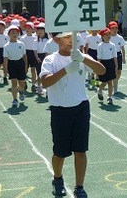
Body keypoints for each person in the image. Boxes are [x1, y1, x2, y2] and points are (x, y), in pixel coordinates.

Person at [39, 32, 105, 198]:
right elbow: (45, 82)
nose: (71, 41)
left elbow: (102, 70)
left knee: (80, 150)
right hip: (60, 110)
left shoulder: (80, 56)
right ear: (56, 40)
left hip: (81, 107)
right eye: (66, 37)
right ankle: (58, 178)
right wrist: (66, 70)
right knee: (60, 152)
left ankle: (79, 186)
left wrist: (84, 59)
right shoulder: (51, 60)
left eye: (73, 37)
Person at [3, 25, 27, 108]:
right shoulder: (6, 46)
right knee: (14, 83)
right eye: (13, 33)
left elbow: (24, 56)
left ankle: (21, 91)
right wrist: (5, 69)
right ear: (9, 34)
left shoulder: (21, 44)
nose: (15, 34)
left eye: (17, 33)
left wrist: (26, 66)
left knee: (22, 83)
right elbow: (5, 58)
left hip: (20, 64)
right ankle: (14, 99)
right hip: (12, 64)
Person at [97, 28, 117, 104]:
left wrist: (116, 66)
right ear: (102, 36)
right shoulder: (100, 46)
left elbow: (114, 56)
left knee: (110, 81)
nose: (108, 36)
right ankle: (100, 90)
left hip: (110, 63)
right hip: (103, 63)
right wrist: (98, 68)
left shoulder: (112, 45)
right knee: (104, 82)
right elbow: (99, 57)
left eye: (109, 34)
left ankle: (109, 97)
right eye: (106, 34)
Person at [108, 21, 126, 94]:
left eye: (116, 28)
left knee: (119, 72)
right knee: (114, 72)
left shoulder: (120, 37)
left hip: (118, 55)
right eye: (112, 28)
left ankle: (115, 83)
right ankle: (115, 87)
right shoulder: (108, 37)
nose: (115, 30)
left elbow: (122, 48)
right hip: (111, 55)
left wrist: (124, 57)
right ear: (109, 29)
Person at [21, 22, 38, 92]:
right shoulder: (23, 38)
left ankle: (33, 85)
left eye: (29, 28)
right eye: (26, 28)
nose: (27, 29)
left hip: (33, 53)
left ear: (32, 29)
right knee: (25, 69)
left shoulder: (35, 37)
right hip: (26, 53)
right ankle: (24, 82)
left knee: (33, 70)